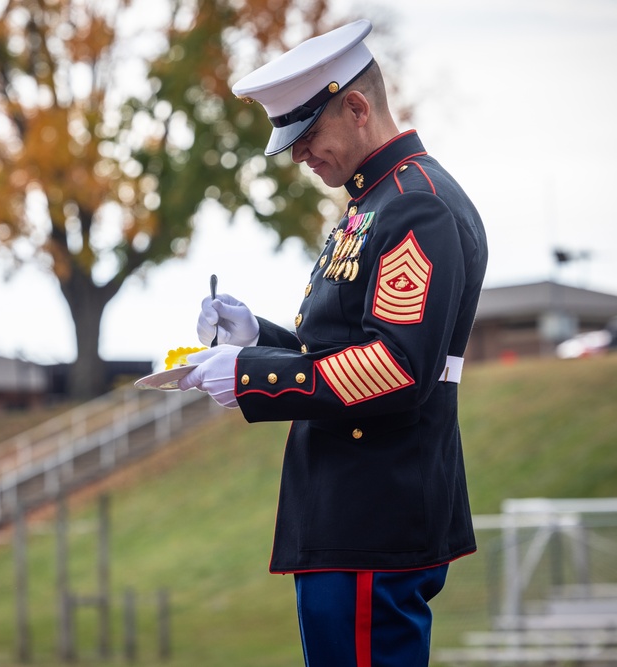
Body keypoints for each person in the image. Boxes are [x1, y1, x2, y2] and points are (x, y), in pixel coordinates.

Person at [179, 20, 488, 666]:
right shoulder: (375, 204)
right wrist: (257, 336)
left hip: (375, 513)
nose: (298, 155)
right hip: (349, 515)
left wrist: (251, 374)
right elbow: (345, 345)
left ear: (356, 106)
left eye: (308, 134)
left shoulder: (416, 207)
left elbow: (396, 367)